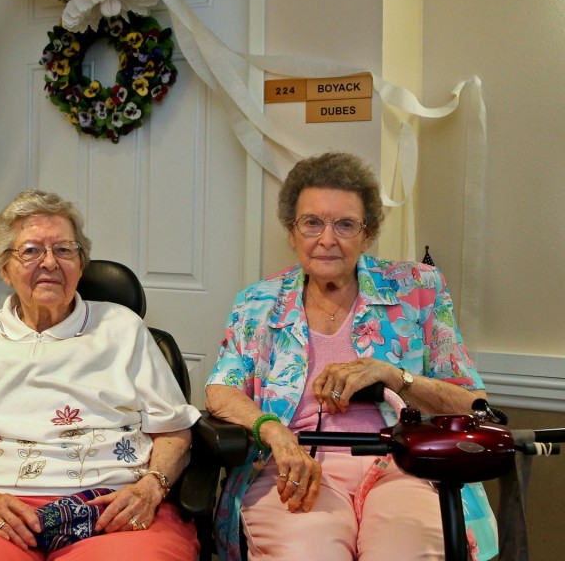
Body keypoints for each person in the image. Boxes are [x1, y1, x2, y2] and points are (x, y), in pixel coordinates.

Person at [205, 152, 497, 561]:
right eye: (312, 223)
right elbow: (220, 391)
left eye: (345, 224)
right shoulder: (257, 302)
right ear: (292, 232)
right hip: (297, 466)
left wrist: (393, 375)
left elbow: (474, 406)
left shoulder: (418, 289)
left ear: (367, 233)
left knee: (406, 552)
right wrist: (273, 430)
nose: (327, 239)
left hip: (404, 466)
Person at [0, 189, 202, 561]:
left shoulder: (124, 329)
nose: (49, 262)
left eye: (64, 250)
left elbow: (174, 432)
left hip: (112, 509)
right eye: (31, 250)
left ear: (80, 264)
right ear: (4, 268)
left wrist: (150, 488)